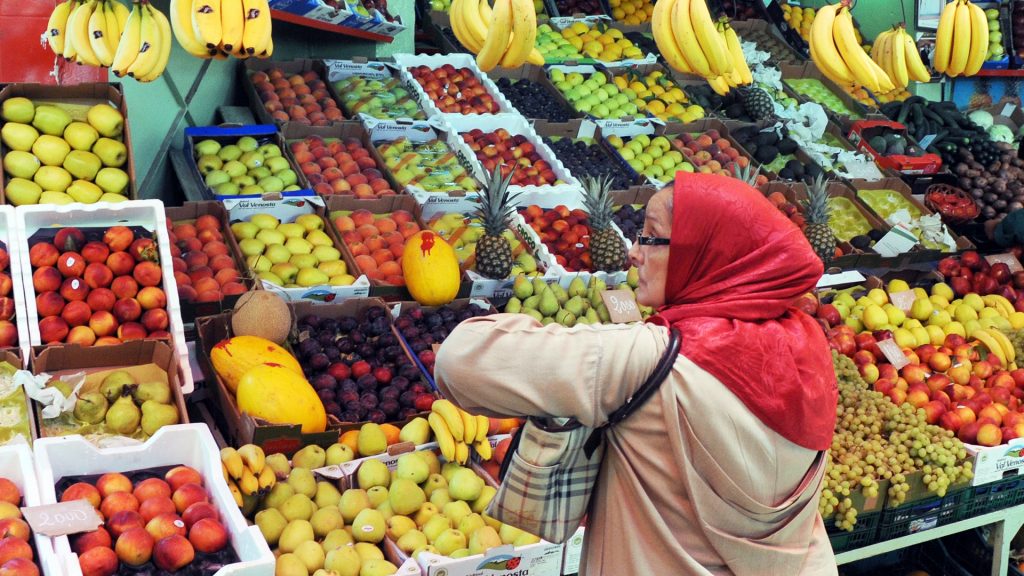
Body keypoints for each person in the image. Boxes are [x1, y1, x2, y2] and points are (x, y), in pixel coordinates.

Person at [434, 173, 839, 575]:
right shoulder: (809, 346)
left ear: (703, 251)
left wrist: (589, 338)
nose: (634, 252)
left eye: (650, 236)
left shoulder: (649, 357)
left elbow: (459, 360)